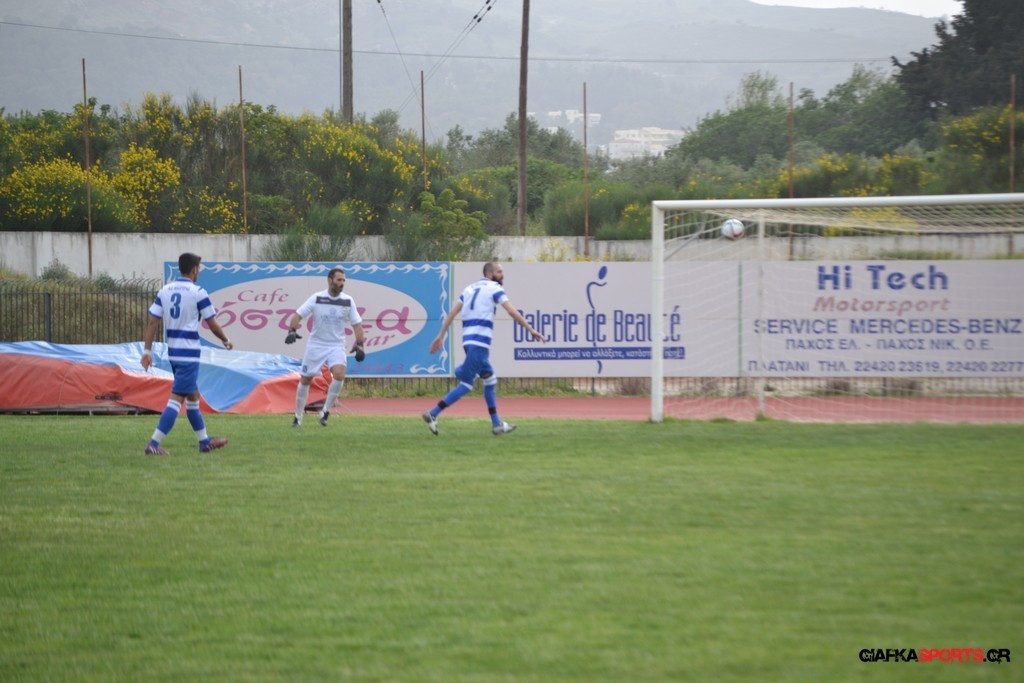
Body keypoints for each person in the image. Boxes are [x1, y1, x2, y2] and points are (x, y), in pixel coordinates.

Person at [422, 261, 546, 436]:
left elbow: (453, 313)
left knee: (490, 380)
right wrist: (531, 329)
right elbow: (511, 311)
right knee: (466, 384)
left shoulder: (469, 289)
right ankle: (433, 413)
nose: (502, 275)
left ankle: (496, 424)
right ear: (489, 274)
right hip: (479, 342)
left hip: (468, 341)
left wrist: (441, 335)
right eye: (499, 271)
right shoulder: (494, 288)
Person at [141, 252, 233, 456]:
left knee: (193, 395)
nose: (198, 272)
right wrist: (225, 340)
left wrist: (147, 351)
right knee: (177, 399)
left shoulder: (165, 290)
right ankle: (153, 444)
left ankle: (204, 442)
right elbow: (212, 324)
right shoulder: (198, 292)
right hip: (188, 354)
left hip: (173, 352)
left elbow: (153, 321)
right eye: (198, 268)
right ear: (194, 270)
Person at [285, 266, 365, 427]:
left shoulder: (348, 301)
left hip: (336, 345)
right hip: (316, 344)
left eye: (343, 280)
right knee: (306, 379)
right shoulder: (317, 298)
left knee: (339, 375)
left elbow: (357, 324)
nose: (342, 283)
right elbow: (298, 315)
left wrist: (360, 345)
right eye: (339, 280)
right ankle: (298, 417)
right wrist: (292, 330)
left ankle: (325, 412)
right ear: (330, 280)